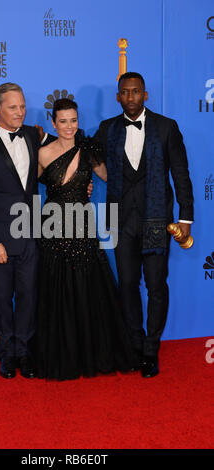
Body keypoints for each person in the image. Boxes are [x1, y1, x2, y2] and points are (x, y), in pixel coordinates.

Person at [93, 72, 194, 377]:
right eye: (124, 93)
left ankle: (151, 349)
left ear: (145, 95)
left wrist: (185, 217)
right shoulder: (107, 129)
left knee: (156, 287)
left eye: (136, 92)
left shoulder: (166, 127)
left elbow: (181, 175)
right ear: (117, 97)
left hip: (156, 221)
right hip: (120, 221)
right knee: (126, 286)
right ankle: (134, 345)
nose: (131, 97)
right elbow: (85, 155)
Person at [35, 98, 138, 380]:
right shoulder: (42, 154)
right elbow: (24, 189)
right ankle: (61, 353)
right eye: (63, 121)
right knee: (57, 289)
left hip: (82, 226)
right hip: (53, 226)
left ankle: (90, 352)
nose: (69, 127)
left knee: (87, 287)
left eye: (74, 120)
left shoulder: (88, 150)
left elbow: (113, 177)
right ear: (53, 123)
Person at [0, 82, 55, 379]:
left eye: (22, 106)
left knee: (29, 296)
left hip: (30, 233)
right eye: (13, 107)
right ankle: (7, 354)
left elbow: (59, 153)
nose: (20, 112)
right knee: (2, 299)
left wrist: (79, 180)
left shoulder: (32, 135)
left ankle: (25, 353)